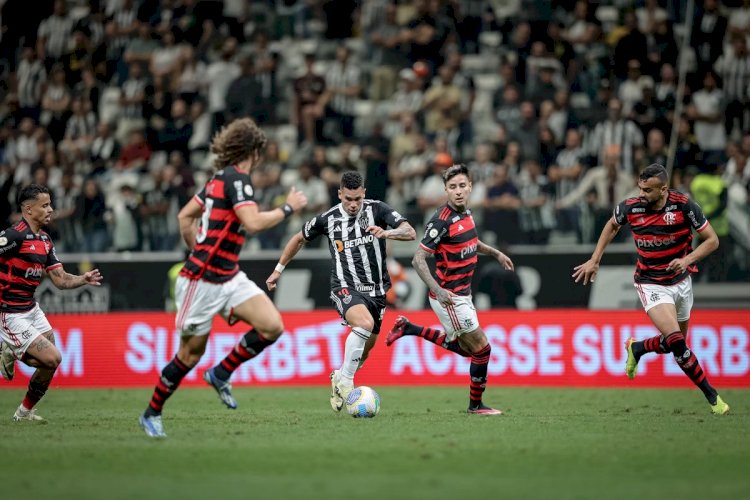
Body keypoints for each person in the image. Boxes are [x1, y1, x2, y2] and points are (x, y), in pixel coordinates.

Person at [138, 118, 308, 438]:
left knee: (272, 326)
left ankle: (221, 373)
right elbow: (253, 222)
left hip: (228, 277)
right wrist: (288, 208)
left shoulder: (218, 180)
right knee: (189, 356)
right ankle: (152, 412)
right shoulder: (237, 180)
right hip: (200, 282)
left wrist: (196, 246)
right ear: (254, 151)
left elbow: (184, 216)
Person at [572, 163, 729, 415]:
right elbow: (612, 225)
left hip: (681, 281)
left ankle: (638, 348)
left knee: (674, 344)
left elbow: (713, 240)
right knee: (678, 344)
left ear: (663, 189)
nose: (641, 194)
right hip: (650, 282)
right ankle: (713, 398)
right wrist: (595, 259)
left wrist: (687, 260)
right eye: (640, 188)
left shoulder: (684, 206)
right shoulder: (630, 207)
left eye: (647, 190)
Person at [265, 171, 416, 412]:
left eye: (357, 199)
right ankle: (346, 382)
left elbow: (410, 232)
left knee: (363, 353)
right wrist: (278, 270)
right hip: (345, 287)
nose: (354, 204)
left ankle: (340, 377)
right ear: (339, 195)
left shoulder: (378, 210)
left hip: (377, 292)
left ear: (364, 193)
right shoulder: (327, 219)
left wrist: (388, 233)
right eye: (348, 199)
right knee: (364, 324)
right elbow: (297, 239)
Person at [385, 164, 514, 415]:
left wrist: (495, 252)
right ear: (445, 190)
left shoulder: (466, 214)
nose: (458, 191)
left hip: (463, 293)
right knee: (482, 349)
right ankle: (475, 406)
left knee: (468, 350)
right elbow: (417, 259)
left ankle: (409, 328)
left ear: (470, 188)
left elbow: (471, 242)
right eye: (453, 187)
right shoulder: (440, 222)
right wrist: (439, 290)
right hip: (450, 296)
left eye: (462, 186)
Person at [0, 184, 103, 421]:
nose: (51, 210)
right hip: (11, 313)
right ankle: (10, 351)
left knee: (50, 364)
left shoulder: (45, 240)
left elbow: (60, 279)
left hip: (32, 309)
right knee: (53, 357)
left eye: (50, 204)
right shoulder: (14, 236)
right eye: (45, 205)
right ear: (28, 209)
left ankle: (24, 412)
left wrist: (83, 279)